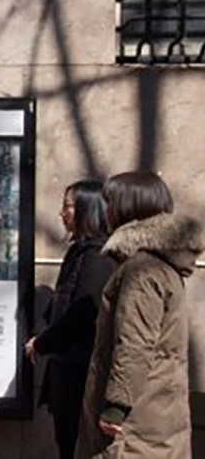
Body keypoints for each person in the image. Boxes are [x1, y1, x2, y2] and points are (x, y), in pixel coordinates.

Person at [75, 171, 203, 458]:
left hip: (134, 425)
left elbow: (134, 344)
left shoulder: (142, 271)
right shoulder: (158, 266)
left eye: (109, 203)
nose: (104, 211)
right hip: (155, 413)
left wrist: (115, 407)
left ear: (127, 207)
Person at [25, 180, 115, 459]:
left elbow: (81, 314)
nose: (62, 214)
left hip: (80, 373)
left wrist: (43, 343)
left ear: (88, 209)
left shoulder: (97, 257)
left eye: (68, 206)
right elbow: (60, 307)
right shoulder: (80, 252)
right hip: (68, 371)